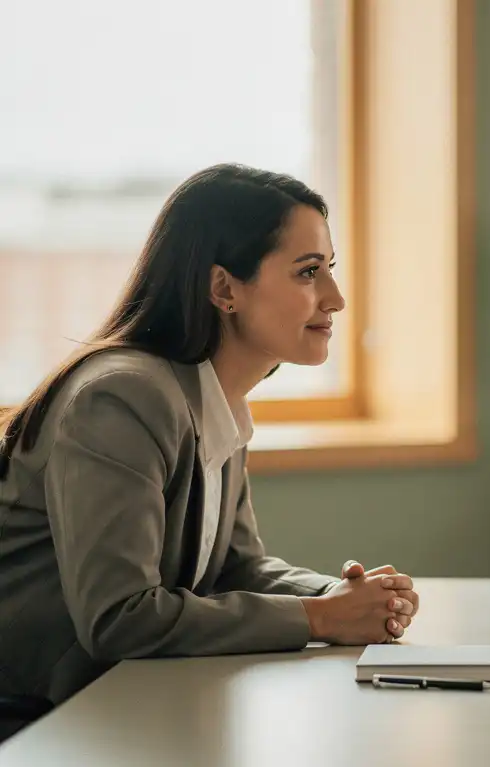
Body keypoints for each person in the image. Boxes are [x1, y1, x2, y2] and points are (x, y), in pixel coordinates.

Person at [0, 164, 419, 711]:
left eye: (329, 269)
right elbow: (118, 619)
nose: (335, 298)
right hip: (33, 721)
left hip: (116, 709)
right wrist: (320, 618)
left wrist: (340, 598)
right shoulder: (122, 398)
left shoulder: (214, 396)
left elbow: (232, 570)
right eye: (308, 272)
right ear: (224, 288)